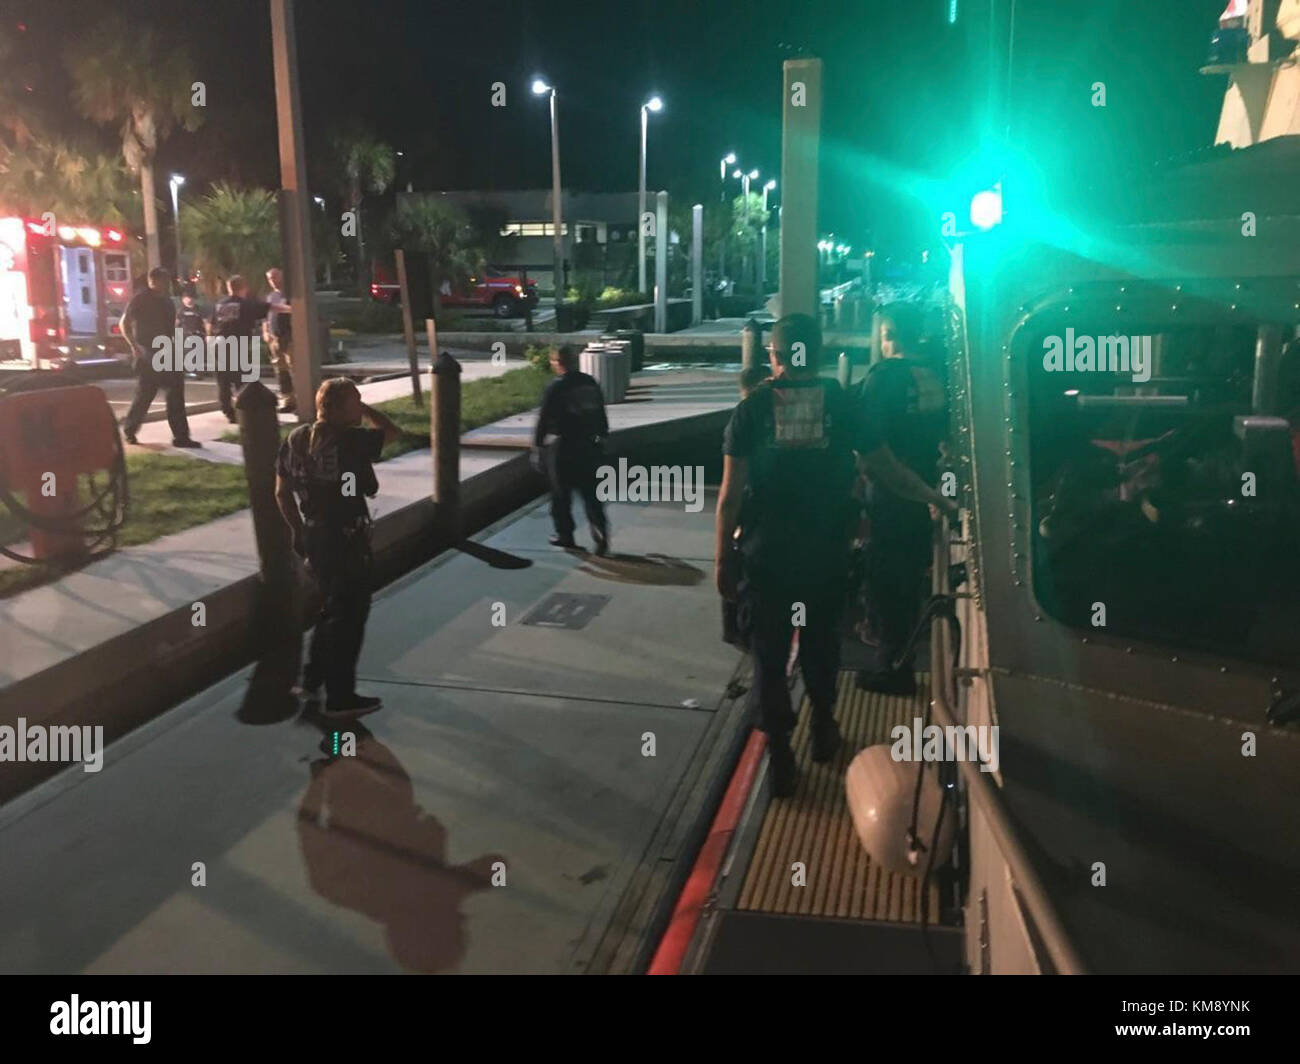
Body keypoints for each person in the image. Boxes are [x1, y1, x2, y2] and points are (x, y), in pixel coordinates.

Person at [716, 313, 952, 797]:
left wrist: (723, 558)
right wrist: (940, 499)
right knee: (821, 645)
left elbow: (730, 496)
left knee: (769, 656)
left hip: (767, 558)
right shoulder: (844, 406)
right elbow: (887, 471)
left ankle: (780, 756)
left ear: (774, 356)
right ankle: (824, 727)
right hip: (825, 554)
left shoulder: (753, 409)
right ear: (818, 352)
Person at [276, 378, 402, 718]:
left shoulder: (297, 439)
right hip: (347, 540)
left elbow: (281, 492)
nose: (360, 405)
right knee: (350, 617)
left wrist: (297, 532)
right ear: (342, 408)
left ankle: (312, 678)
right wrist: (368, 411)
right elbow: (392, 432)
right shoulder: (351, 439)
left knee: (330, 608)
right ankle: (340, 697)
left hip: (316, 536)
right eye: (356, 400)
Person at [855, 303, 948, 695]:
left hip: (890, 491)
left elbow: (866, 440)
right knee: (909, 579)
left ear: (889, 333)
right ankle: (902, 656)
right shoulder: (935, 374)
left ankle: (892, 666)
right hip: (924, 484)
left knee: (887, 579)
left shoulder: (883, 378)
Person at [532, 345, 610, 554]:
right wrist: (602, 437)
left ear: (557, 363)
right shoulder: (589, 383)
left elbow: (544, 419)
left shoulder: (556, 387)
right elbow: (601, 414)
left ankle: (565, 535)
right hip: (588, 445)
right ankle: (600, 530)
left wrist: (538, 447)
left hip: (563, 446)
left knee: (561, 495)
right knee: (591, 494)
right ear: (574, 361)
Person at [119, 266, 198, 448]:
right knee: (145, 394)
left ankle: (181, 437)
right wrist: (134, 346)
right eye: (164, 281)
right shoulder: (140, 299)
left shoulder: (167, 302)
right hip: (148, 353)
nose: (167, 285)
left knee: (176, 394)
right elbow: (124, 322)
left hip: (167, 352)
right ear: (153, 281)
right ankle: (130, 430)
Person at [210, 274, 269, 423]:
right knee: (244, 379)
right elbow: (268, 308)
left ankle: (228, 411)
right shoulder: (246, 304)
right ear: (244, 288)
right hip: (238, 344)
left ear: (229, 288)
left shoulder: (219, 305)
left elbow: (211, 324)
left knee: (223, 381)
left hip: (219, 343)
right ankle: (245, 410)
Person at [264, 267, 295, 413]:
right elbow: (266, 316)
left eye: (275, 277)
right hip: (274, 339)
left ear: (282, 276)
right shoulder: (270, 297)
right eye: (270, 278)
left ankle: (302, 400)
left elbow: (296, 309)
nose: (273, 281)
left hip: (290, 337)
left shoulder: (291, 293)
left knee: (294, 370)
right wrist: (266, 331)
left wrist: (281, 308)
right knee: (281, 372)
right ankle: (287, 401)